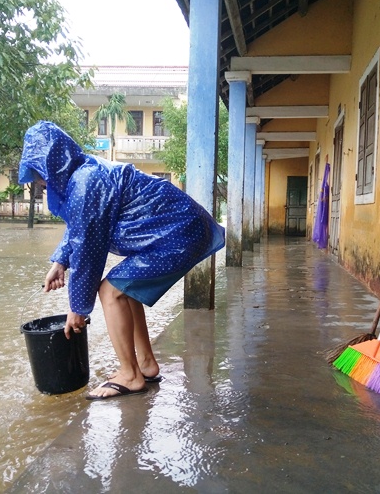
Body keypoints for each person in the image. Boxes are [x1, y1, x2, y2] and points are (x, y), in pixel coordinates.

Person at [18, 121, 225, 400]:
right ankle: (145, 365)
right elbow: (81, 228)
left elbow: (87, 252)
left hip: (176, 233)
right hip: (183, 229)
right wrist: (59, 263)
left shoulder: (85, 183)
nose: (39, 181)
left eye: (39, 172)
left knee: (109, 290)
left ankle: (130, 374)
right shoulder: (86, 173)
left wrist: (78, 308)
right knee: (124, 290)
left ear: (53, 164)